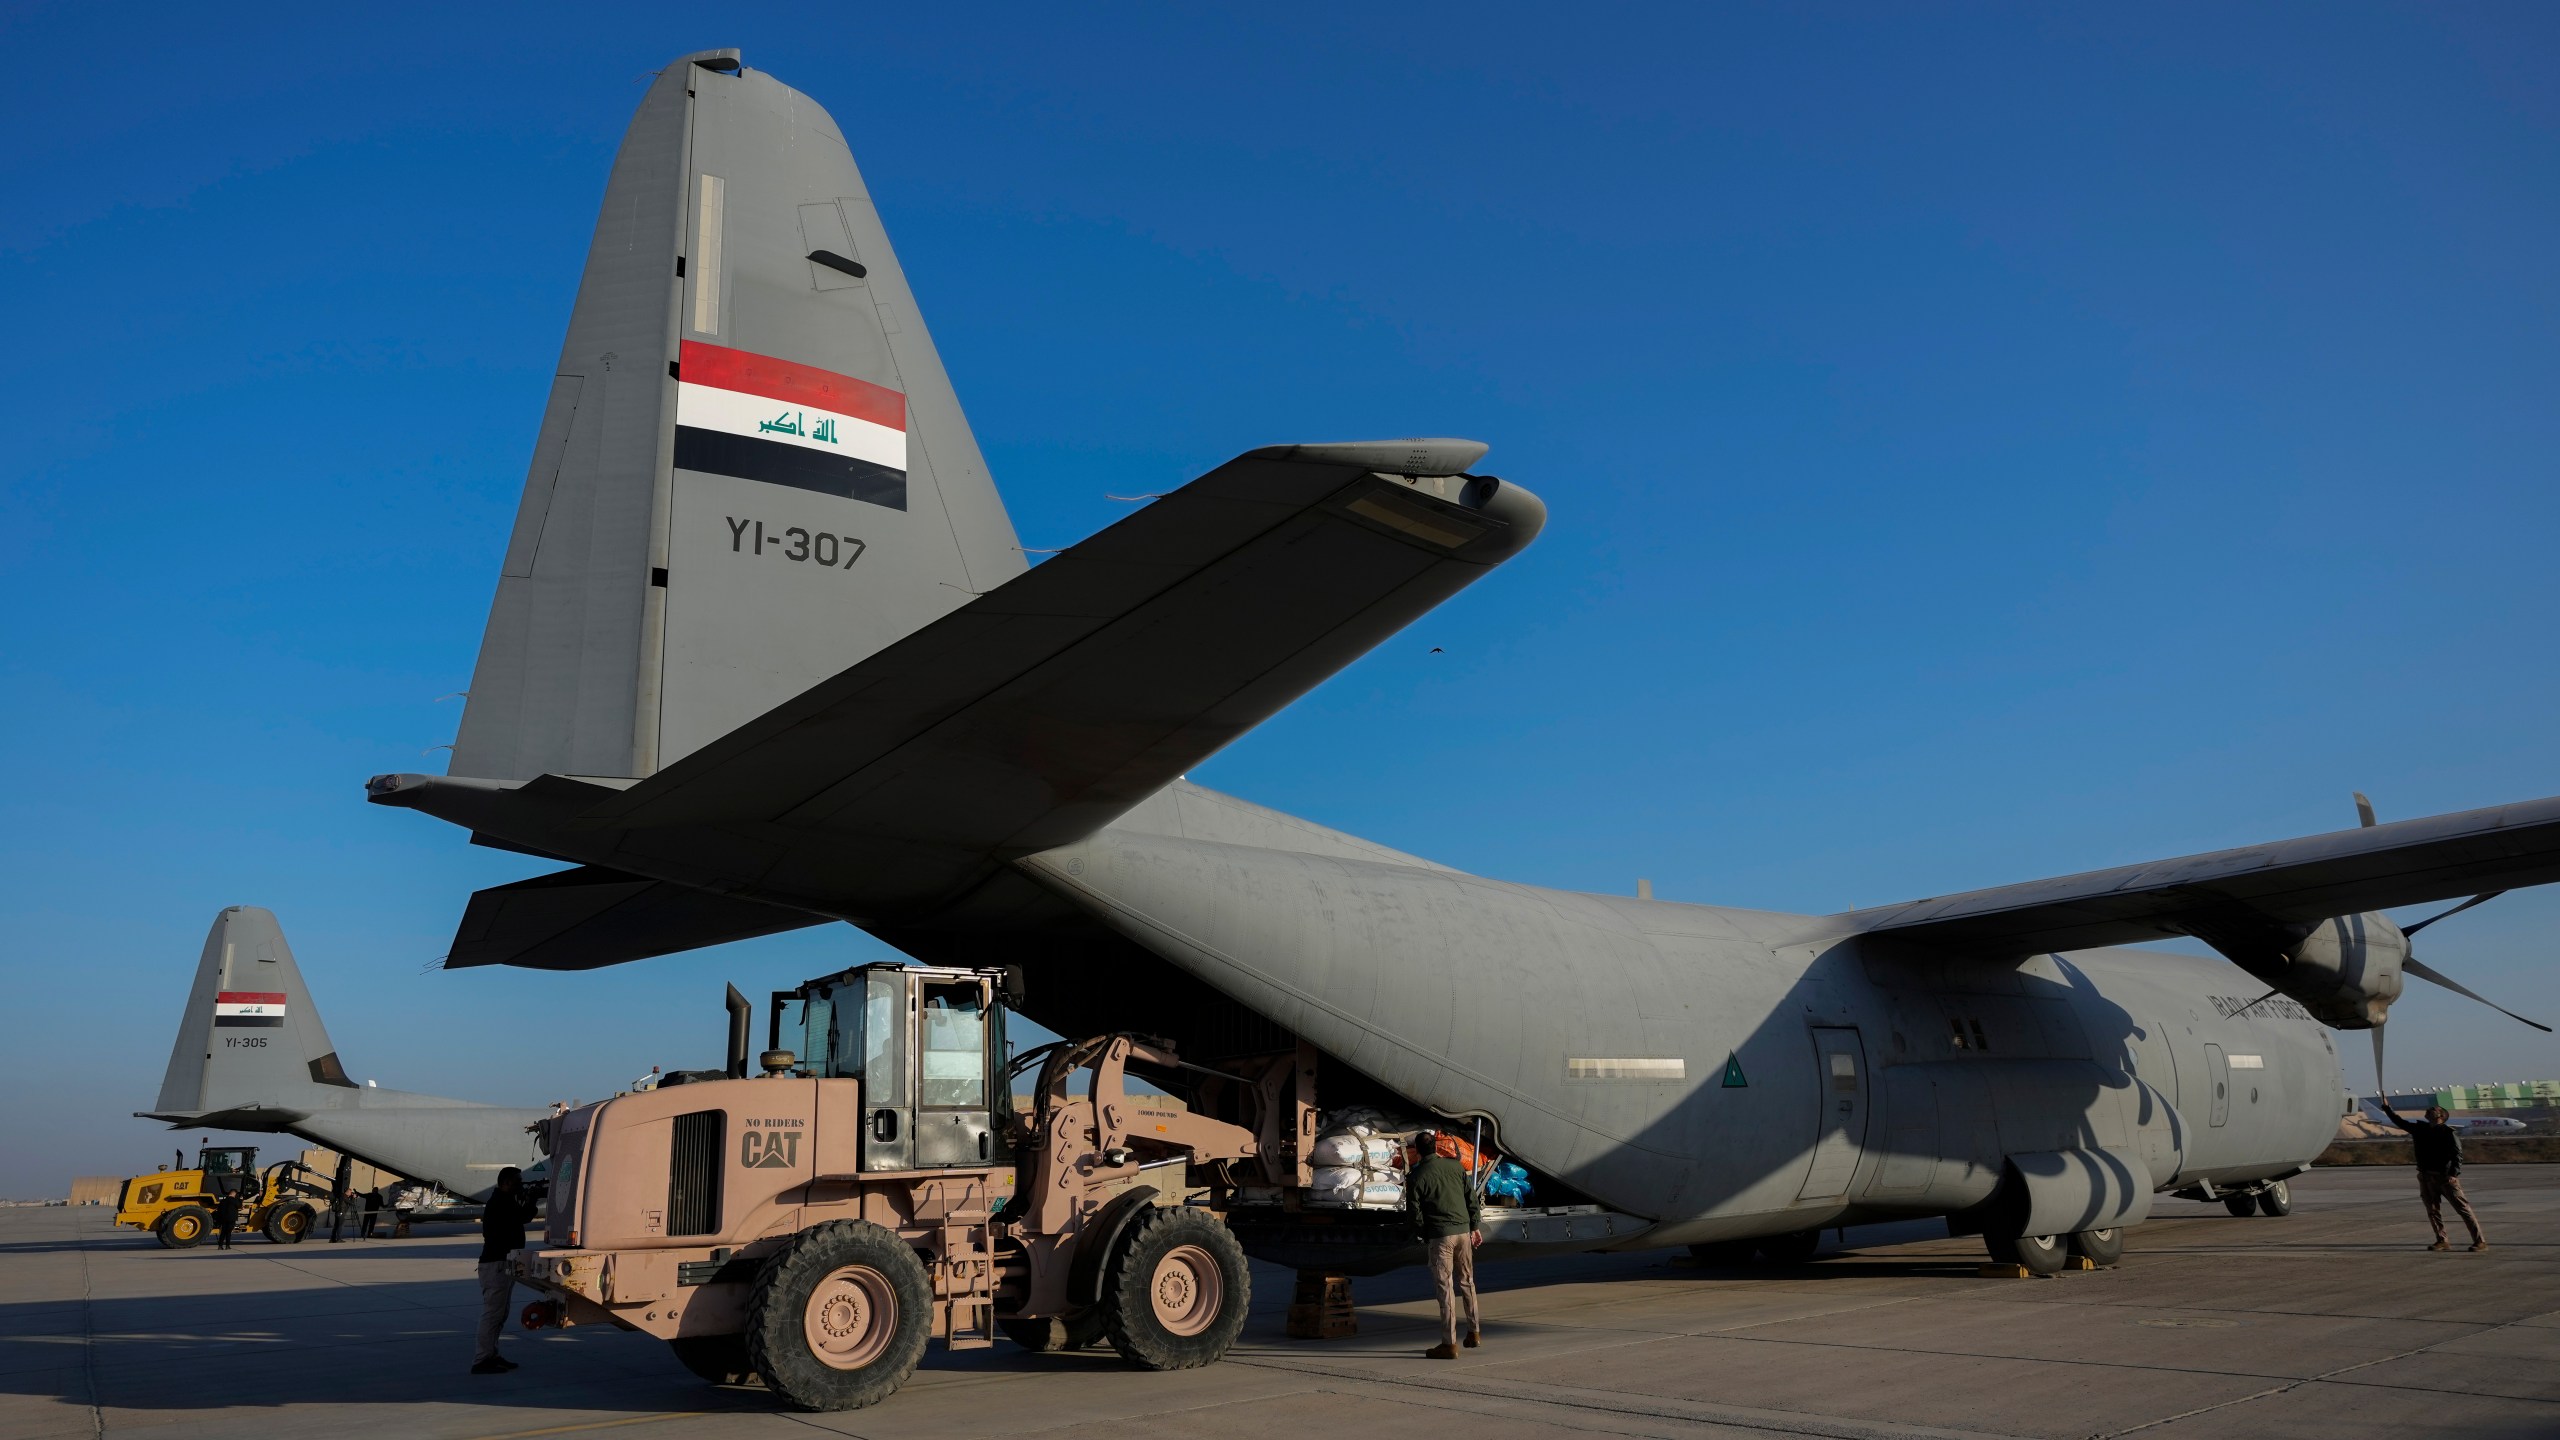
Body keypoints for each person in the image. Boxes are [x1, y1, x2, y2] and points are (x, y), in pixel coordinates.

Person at [1404, 1128, 1482, 1359]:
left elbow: (1414, 1214)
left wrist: (1424, 1233)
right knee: (1467, 1282)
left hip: (1441, 1236)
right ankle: (1474, 1332)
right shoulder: (1456, 1166)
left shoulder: (1416, 1177)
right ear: (1437, 1147)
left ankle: (1449, 1344)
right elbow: (1472, 1198)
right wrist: (1474, 1226)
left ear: (1416, 1151)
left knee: (1445, 1289)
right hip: (1463, 1232)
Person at [2380, 1100, 2485, 1251]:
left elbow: (2457, 1154)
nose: (2430, 1109)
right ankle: (2442, 1240)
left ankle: (2479, 1241)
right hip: (2426, 1176)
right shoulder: (2419, 1129)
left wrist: (2453, 1174)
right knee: (2433, 1210)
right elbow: (2399, 1122)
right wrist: (2387, 1108)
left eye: (2434, 1109)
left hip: (2445, 1177)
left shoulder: (2448, 1133)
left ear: (2441, 1116)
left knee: (2463, 1209)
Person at [471, 1166, 542, 1375]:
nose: (520, 1185)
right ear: (507, 1183)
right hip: (496, 1265)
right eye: (517, 1182)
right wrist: (532, 1199)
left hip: (501, 1264)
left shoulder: (503, 1201)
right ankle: (482, 1359)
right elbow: (525, 1216)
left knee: (499, 1314)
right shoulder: (500, 1203)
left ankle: (490, 1355)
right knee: (493, 1314)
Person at [211, 1187, 244, 1251]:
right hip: (231, 1219)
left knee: (223, 1232)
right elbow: (239, 1205)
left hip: (223, 1218)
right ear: (234, 1194)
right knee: (228, 1232)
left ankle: (220, 1246)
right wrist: (240, 1200)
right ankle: (227, 1246)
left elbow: (219, 1209)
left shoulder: (223, 1201)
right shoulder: (234, 1200)